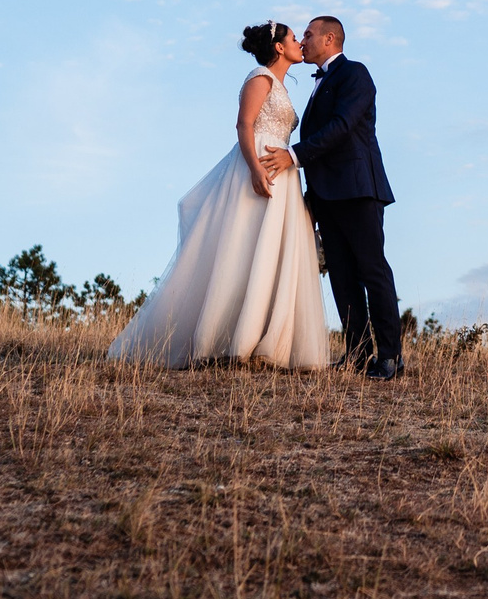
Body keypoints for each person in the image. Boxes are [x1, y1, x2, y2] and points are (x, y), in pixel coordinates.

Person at [106, 21, 328, 369]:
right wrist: (254, 168)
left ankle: (266, 339)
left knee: (270, 251)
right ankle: (225, 340)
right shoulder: (260, 78)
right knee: (244, 246)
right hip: (258, 163)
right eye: (293, 37)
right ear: (279, 47)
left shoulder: (283, 86)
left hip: (283, 170)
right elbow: (244, 124)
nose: (299, 42)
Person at [261, 14, 401, 378]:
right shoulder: (318, 83)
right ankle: (357, 354)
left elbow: (342, 127)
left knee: (372, 270)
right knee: (341, 275)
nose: (303, 41)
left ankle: (390, 356)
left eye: (308, 34)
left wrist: (293, 156)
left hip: (357, 189)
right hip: (327, 195)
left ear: (329, 39)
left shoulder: (355, 73)